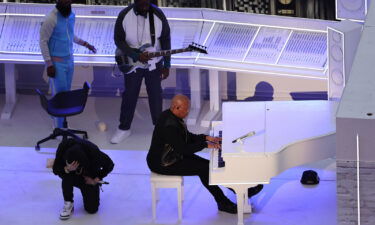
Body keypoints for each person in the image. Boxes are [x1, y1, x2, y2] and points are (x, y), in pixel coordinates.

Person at [146, 94, 238, 214]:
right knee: (204, 169)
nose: (188, 111)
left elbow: (186, 137)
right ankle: (223, 202)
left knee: (208, 166)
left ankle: (234, 191)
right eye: (186, 109)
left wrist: (206, 137)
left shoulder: (170, 115)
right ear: (176, 107)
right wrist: (205, 144)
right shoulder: (169, 125)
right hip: (163, 163)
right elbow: (183, 149)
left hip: (171, 155)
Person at [111, 0, 171, 144]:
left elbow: (165, 40)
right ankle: (124, 128)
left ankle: (159, 129)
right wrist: (135, 55)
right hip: (133, 63)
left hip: (154, 64)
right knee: (129, 95)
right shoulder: (124, 15)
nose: (144, 2)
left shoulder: (158, 14)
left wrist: (167, 64)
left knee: (156, 95)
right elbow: (118, 40)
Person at [39, 0, 97, 128]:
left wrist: (86, 44)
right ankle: (60, 128)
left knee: (66, 92)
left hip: (70, 61)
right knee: (60, 94)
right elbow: (43, 42)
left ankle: (62, 122)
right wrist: (49, 64)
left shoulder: (71, 15)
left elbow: (70, 35)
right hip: (57, 64)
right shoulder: (51, 19)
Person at [53, 138, 114, 220]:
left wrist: (96, 179)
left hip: (88, 178)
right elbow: (55, 169)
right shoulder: (63, 147)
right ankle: (68, 202)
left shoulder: (95, 153)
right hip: (71, 174)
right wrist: (67, 168)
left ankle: (89, 188)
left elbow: (110, 164)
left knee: (92, 209)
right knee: (65, 174)